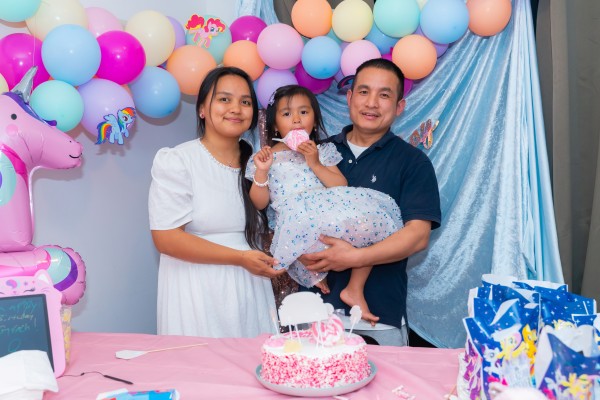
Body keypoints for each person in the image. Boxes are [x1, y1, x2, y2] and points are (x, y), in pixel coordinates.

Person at [301, 58, 441, 346]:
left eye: (384, 95)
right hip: (313, 313)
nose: (372, 103)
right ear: (350, 98)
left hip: (379, 318)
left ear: (399, 107)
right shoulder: (317, 153)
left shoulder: (413, 162)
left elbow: (417, 236)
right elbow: (289, 213)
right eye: (364, 92)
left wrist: (355, 258)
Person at [246, 85, 403, 324]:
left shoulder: (322, 151)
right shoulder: (266, 158)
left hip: (326, 213)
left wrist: (315, 162)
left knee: (371, 224)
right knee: (305, 245)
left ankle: (355, 288)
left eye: (303, 112)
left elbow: (340, 185)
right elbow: (259, 203)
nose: (296, 119)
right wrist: (261, 172)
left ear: (314, 120)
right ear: (275, 124)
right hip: (296, 220)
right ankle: (315, 274)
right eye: (287, 114)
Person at [148, 66, 285, 338]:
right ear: (202, 109)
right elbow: (166, 238)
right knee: (201, 361)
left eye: (245, 102)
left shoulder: (258, 164)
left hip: (249, 287)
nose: (236, 108)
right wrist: (240, 258)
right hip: (197, 290)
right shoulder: (178, 160)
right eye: (224, 99)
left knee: (251, 360)